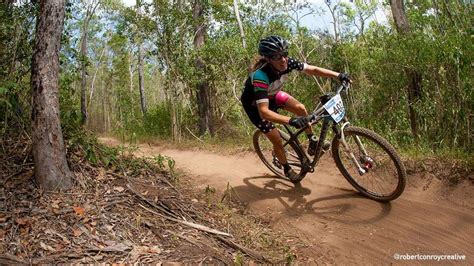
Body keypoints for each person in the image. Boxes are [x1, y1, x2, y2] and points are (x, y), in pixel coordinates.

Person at [240, 35, 351, 181]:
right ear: (267, 59)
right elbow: (264, 112)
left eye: (285, 54)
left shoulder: (287, 63)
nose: (283, 59)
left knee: (301, 108)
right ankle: (286, 168)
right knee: (276, 139)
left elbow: (312, 69)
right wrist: (291, 121)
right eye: (277, 56)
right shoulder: (261, 76)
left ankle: (312, 141)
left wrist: (338, 75)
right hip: (256, 107)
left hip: (273, 96)